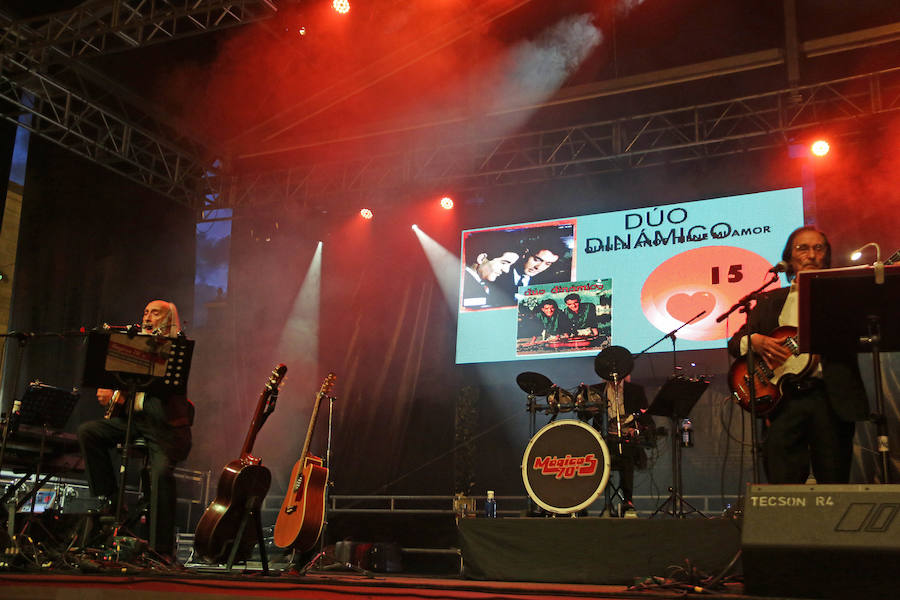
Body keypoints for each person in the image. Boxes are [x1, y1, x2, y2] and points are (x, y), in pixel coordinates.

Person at [727, 227, 869, 484]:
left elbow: (865, 332)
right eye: (802, 248)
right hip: (784, 399)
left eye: (818, 248)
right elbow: (735, 343)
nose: (811, 254)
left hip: (831, 396)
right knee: (782, 480)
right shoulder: (771, 300)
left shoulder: (844, 296)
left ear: (826, 256)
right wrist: (756, 341)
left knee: (834, 481)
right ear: (789, 258)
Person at [78, 300, 194, 559]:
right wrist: (108, 389)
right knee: (89, 431)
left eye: (155, 313)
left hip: (165, 428)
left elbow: (164, 390)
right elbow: (115, 378)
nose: (147, 317)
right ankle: (111, 500)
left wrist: (125, 398)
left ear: (168, 319)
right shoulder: (131, 345)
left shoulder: (176, 346)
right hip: (137, 423)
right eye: (145, 312)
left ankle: (162, 549)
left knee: (161, 474)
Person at [580, 376, 652, 515]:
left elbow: (646, 418)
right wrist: (590, 409)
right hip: (603, 439)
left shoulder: (635, 390)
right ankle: (582, 503)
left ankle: (627, 501)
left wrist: (635, 429)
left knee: (627, 453)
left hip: (625, 439)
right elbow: (582, 416)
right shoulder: (596, 390)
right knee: (584, 454)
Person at [461, 234, 519, 309]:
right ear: (481, 258)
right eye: (503, 263)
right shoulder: (461, 285)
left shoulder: (488, 286)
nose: (506, 270)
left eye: (510, 265)